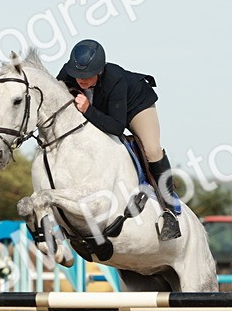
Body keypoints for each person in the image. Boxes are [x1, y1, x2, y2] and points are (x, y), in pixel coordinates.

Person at [56, 39, 181, 240]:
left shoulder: (115, 79)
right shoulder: (68, 74)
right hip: (100, 109)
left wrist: (88, 109)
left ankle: (170, 210)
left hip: (135, 106)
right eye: (78, 75)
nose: (81, 80)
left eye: (87, 76)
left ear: (99, 71)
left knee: (152, 150)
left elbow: (116, 126)